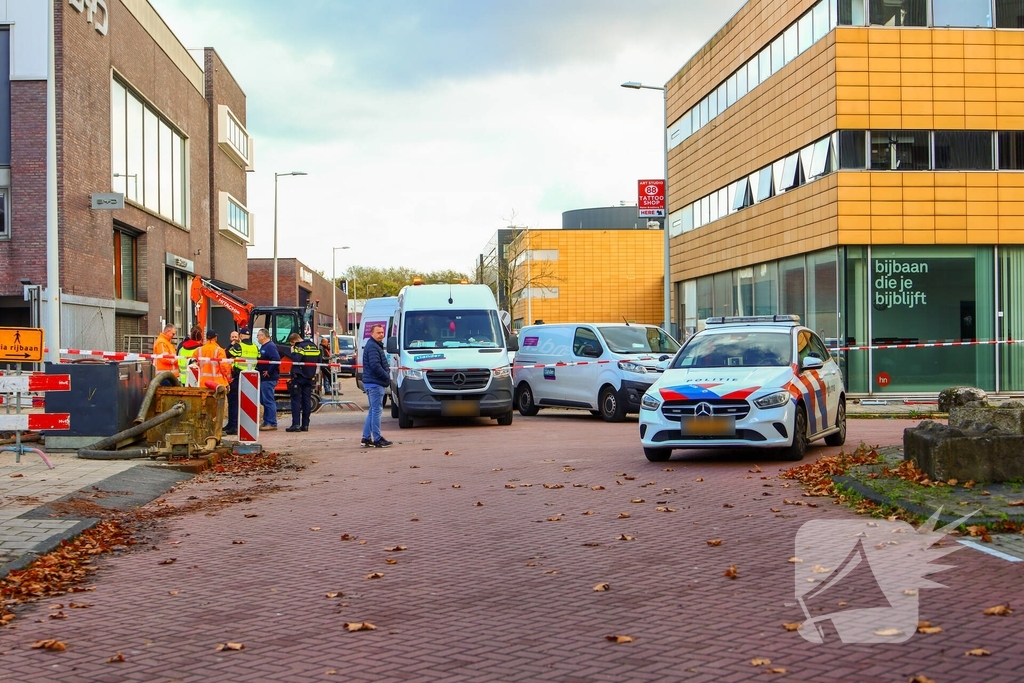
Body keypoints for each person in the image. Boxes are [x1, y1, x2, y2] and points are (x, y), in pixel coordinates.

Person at [360, 323, 392, 448]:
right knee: (376, 411)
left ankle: (366, 437)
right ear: (371, 333)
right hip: (375, 384)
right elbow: (375, 365)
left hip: (372, 383)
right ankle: (377, 438)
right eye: (378, 333)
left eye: (382, 332)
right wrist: (386, 376)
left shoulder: (373, 345)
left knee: (373, 411)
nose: (381, 335)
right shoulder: (373, 347)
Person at [224, 330, 259, 435]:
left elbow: (227, 354)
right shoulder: (255, 347)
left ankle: (233, 425)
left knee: (233, 401)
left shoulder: (239, 347)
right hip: (251, 377)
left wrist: (232, 344)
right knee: (246, 402)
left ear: (241, 336)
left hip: (239, 376)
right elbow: (259, 357)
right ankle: (243, 426)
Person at [286, 332, 320, 432]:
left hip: (299, 377)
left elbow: (296, 359)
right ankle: (305, 425)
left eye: (292, 344)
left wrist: (293, 352)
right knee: (306, 401)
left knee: (296, 400)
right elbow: (319, 360)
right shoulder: (314, 346)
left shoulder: (299, 347)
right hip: (310, 377)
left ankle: (296, 425)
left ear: (294, 341)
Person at [256, 328, 280, 431]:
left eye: (258, 335)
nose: (257, 337)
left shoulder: (270, 346)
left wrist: (269, 371)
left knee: (268, 400)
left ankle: (271, 422)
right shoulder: (264, 346)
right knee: (264, 400)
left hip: (269, 378)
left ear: (263, 336)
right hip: (264, 378)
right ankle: (267, 421)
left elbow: (276, 359)